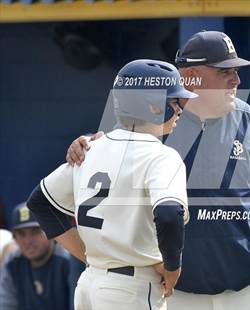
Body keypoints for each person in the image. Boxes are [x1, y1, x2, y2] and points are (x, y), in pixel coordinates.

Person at [66, 31, 250, 309]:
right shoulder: (155, 123)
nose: (236, 80)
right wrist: (83, 145)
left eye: (236, 71)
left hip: (244, 292)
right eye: (225, 72)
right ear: (190, 75)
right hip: (174, 293)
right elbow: (108, 149)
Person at [26, 59, 196, 310]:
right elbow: (169, 214)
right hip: (131, 289)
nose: (180, 109)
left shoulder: (90, 148)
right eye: (174, 101)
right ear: (152, 106)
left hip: (89, 284)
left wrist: (93, 257)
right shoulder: (162, 155)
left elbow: (40, 203)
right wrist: (173, 269)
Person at [0, 203, 71, 310]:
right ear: (14, 237)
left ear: (50, 230)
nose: (28, 241)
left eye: (35, 231)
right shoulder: (12, 262)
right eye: (21, 233)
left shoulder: (68, 260)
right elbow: (6, 305)